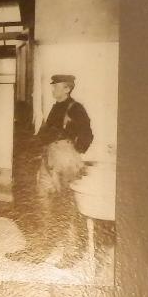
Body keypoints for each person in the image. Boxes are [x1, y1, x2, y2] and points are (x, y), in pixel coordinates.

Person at [8, 73, 93, 267]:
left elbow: (87, 135)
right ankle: (40, 249)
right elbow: (45, 135)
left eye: (56, 86)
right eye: (53, 86)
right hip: (48, 158)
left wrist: (72, 150)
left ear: (67, 88)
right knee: (43, 203)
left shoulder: (76, 108)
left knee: (68, 205)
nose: (53, 89)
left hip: (65, 160)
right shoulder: (56, 108)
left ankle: (71, 254)